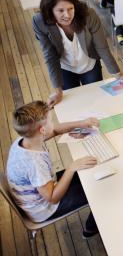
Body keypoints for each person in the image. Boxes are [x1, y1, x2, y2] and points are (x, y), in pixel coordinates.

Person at [6, 101, 99, 237]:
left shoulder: (26, 139)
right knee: (97, 190)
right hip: (44, 208)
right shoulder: (34, 163)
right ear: (42, 130)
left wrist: (81, 124)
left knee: (88, 174)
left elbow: (55, 130)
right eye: (50, 120)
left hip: (44, 188)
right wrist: (71, 168)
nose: (53, 123)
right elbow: (52, 198)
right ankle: (91, 229)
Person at [33, 0, 121, 107]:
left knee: (96, 101)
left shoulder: (89, 15)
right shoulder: (39, 21)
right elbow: (50, 56)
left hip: (89, 65)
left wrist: (118, 75)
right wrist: (57, 91)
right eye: (60, 10)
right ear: (50, 10)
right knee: (73, 105)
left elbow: (102, 48)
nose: (67, 15)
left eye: (70, 8)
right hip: (65, 68)